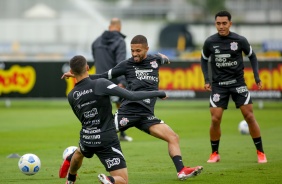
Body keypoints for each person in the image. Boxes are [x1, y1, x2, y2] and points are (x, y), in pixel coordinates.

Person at [62, 35, 203, 181]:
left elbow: (163, 58)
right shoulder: (126, 64)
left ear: (147, 49)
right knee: (99, 134)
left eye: (138, 50)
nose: (134, 54)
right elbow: (103, 75)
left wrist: (164, 58)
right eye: (132, 50)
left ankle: (181, 171)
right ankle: (70, 159)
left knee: (173, 137)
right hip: (128, 112)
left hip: (146, 114)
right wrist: (76, 74)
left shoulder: (155, 60)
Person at [63, 55, 167, 184]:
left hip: (87, 137)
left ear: (72, 72)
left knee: (79, 153)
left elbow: (82, 118)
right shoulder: (100, 83)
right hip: (107, 139)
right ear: (88, 68)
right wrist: (158, 93)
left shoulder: (71, 95)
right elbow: (131, 95)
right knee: (123, 180)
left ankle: (70, 180)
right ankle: (109, 180)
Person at [200, 10, 267, 163]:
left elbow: (252, 56)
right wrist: (207, 79)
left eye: (224, 23)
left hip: (238, 84)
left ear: (230, 23)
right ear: (215, 24)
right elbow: (203, 59)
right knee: (215, 119)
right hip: (219, 86)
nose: (221, 26)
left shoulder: (239, 40)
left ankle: (260, 153)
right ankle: (214, 154)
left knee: (249, 116)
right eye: (218, 23)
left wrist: (257, 77)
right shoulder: (210, 42)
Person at [91, 17, 132, 142]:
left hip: (99, 80)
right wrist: (122, 81)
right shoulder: (120, 41)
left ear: (109, 27)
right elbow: (120, 63)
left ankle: (99, 135)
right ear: (119, 28)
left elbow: (95, 60)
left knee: (102, 108)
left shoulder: (96, 41)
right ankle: (122, 134)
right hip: (114, 80)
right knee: (121, 107)